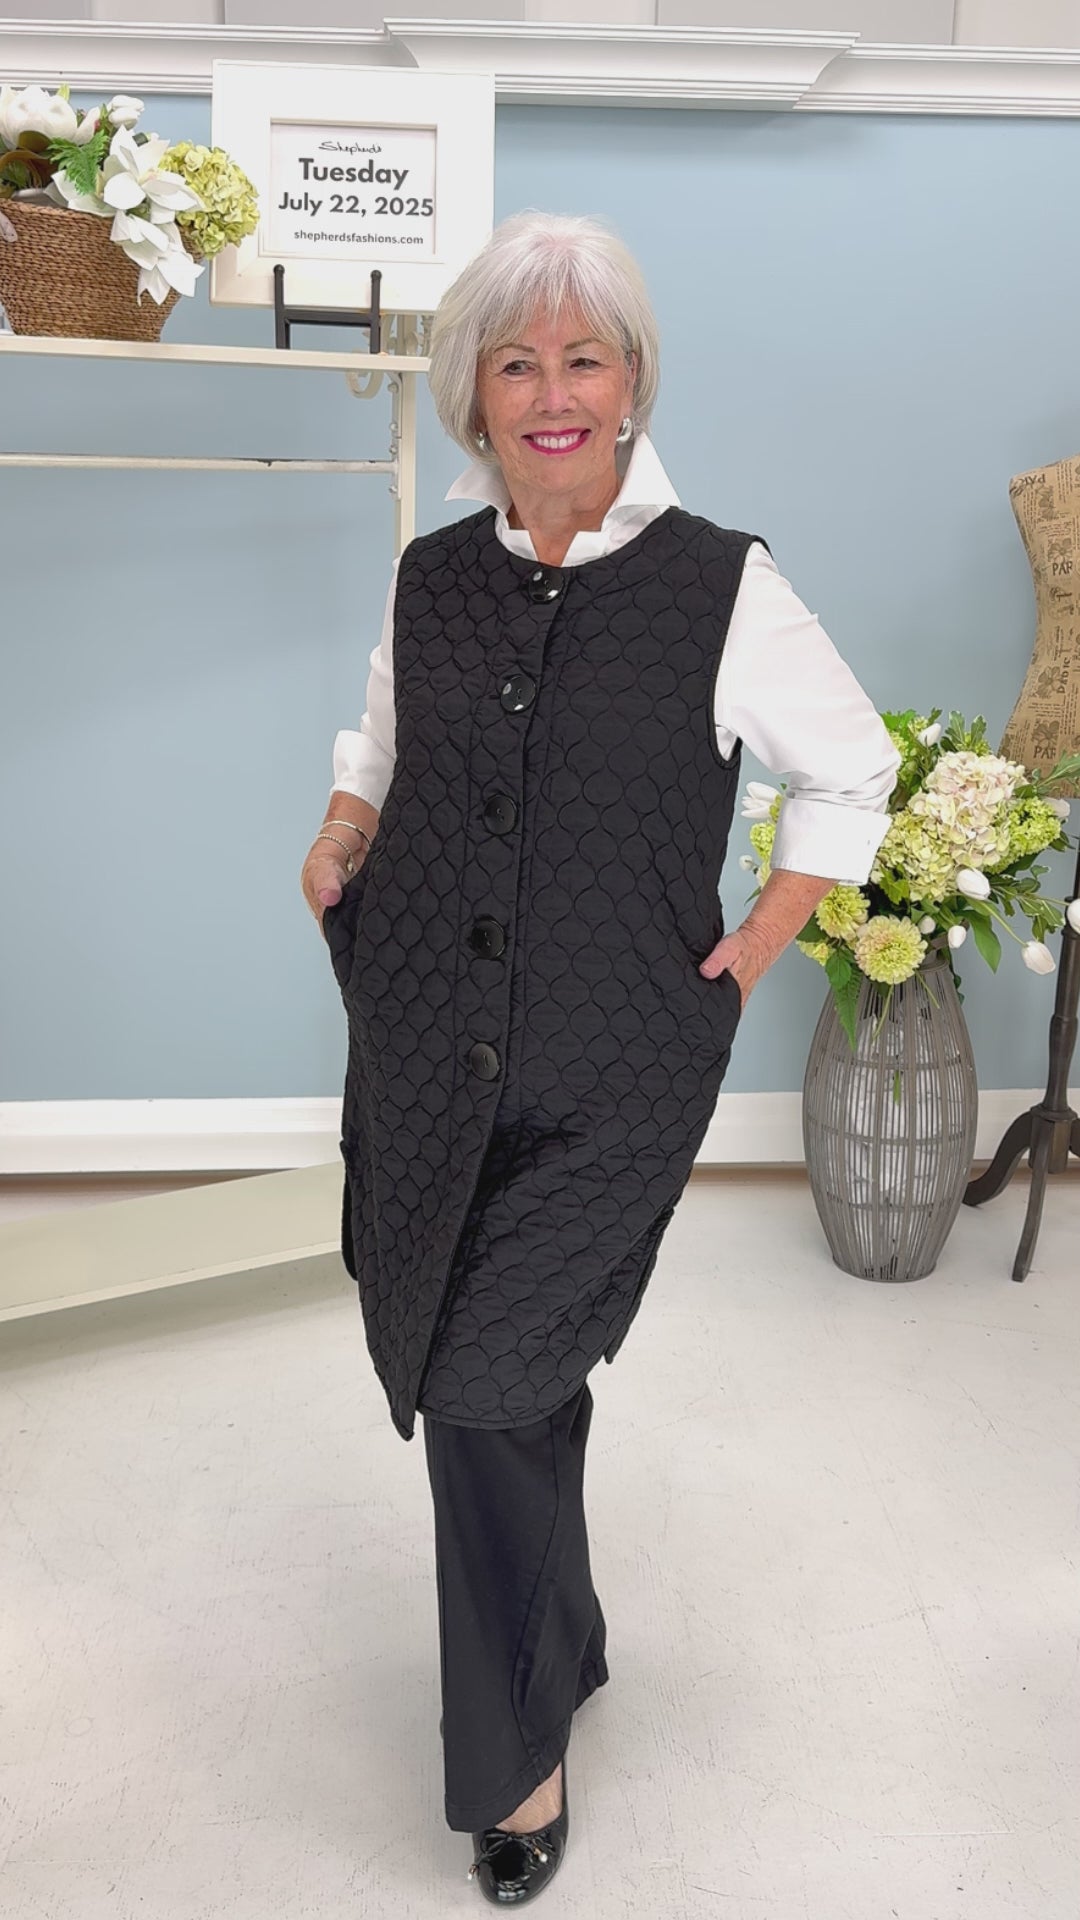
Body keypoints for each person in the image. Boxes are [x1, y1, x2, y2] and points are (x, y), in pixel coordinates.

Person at [299, 211, 901, 1905]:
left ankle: (516, 1766)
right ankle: (560, 1630)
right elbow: (386, 732)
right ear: (473, 398)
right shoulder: (432, 574)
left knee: (487, 1383)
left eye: (584, 358)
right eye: (517, 363)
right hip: (426, 1037)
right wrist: (343, 829)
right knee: (491, 1361)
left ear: (633, 384)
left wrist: (757, 942)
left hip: (614, 1065)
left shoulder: (722, 584)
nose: (552, 393)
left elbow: (850, 769)